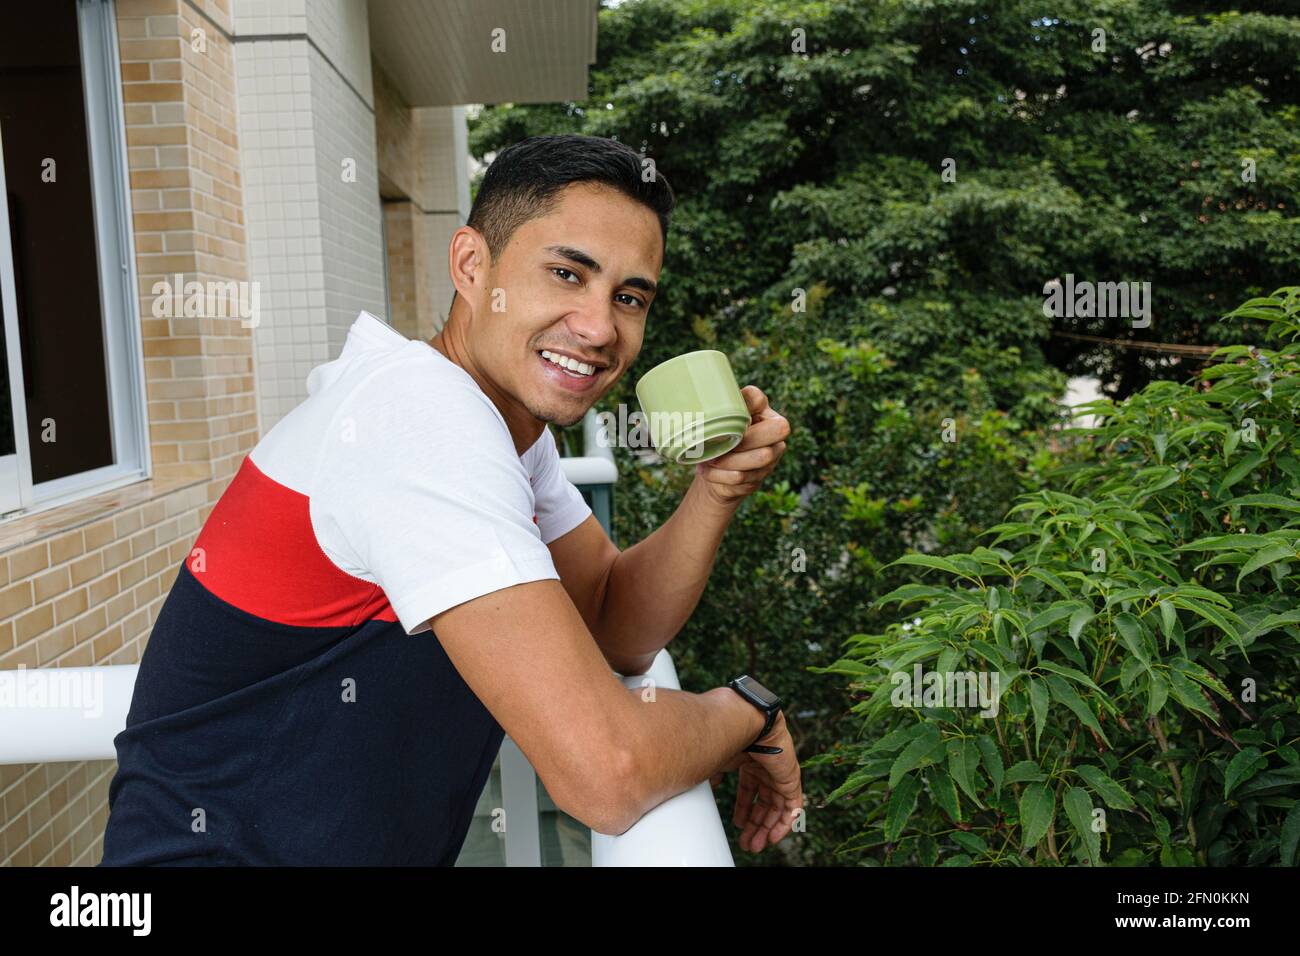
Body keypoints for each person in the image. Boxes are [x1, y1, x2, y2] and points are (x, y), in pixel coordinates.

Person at [100, 133, 800, 866]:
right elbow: (607, 774)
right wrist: (747, 713)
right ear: (472, 265)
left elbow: (613, 624)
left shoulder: (502, 429)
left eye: (628, 296)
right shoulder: (420, 418)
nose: (598, 328)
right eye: (566, 273)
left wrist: (715, 490)